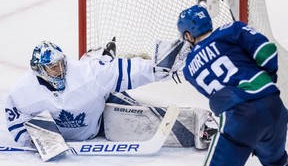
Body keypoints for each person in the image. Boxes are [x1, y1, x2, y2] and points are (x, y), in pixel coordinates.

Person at [4, 38, 217, 151]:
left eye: (61, 64)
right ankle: (98, 54)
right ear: (39, 69)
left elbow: (121, 71)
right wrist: (28, 141)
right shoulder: (23, 91)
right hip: (70, 131)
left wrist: (156, 69)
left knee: (134, 120)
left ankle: (199, 124)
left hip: (100, 120)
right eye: (53, 67)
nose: (60, 70)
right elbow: (14, 116)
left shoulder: (87, 75)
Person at [176, 4, 288, 166]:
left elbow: (218, 95)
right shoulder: (232, 29)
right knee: (278, 164)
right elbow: (267, 51)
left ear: (188, 35)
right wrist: (267, 79)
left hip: (240, 116)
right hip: (274, 108)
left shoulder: (189, 70)